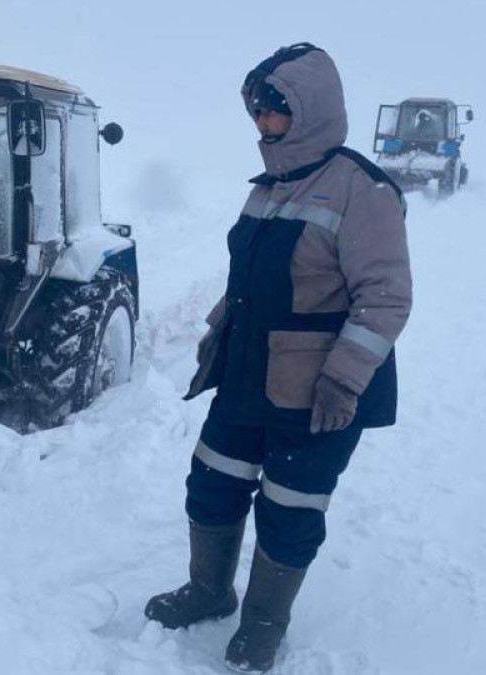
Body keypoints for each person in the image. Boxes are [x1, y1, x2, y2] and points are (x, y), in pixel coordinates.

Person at [144, 43, 414, 672]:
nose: (264, 124)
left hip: (317, 390)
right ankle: (210, 591)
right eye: (259, 113)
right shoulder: (269, 186)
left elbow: (387, 296)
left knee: (289, 508)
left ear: (310, 110)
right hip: (246, 375)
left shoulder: (361, 189)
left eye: (276, 112)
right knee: (211, 485)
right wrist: (218, 329)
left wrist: (345, 379)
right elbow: (253, 278)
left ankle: (264, 621)